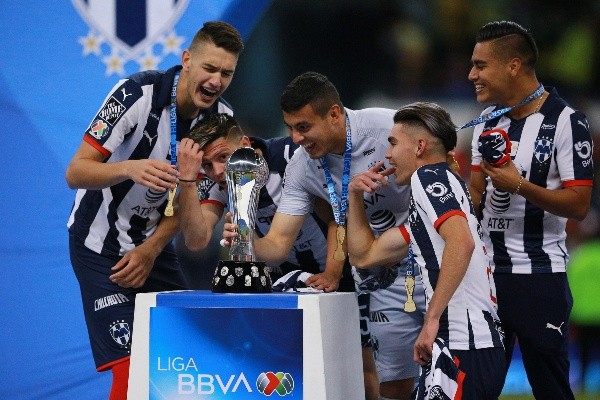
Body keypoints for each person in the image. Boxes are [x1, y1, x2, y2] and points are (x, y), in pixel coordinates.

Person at [65, 21, 244, 400]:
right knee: (131, 369)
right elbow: (75, 172)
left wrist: (151, 248)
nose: (216, 80)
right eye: (210, 68)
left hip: (154, 247)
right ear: (186, 60)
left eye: (226, 73)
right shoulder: (136, 93)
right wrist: (129, 167)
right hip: (100, 245)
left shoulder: (222, 121)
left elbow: (195, 234)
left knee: (180, 362)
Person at [223, 72, 426, 400]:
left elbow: (442, 166)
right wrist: (246, 241)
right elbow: (276, 245)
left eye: (303, 127)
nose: (295, 138)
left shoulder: (387, 127)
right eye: (290, 128)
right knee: (395, 386)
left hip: (432, 261)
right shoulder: (302, 167)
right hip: (381, 277)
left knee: (455, 369)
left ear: (334, 114)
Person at [176, 112, 378, 399]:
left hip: (334, 269)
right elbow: (196, 241)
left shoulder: (291, 158)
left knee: (359, 363)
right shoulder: (216, 184)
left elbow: (336, 218)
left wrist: (334, 273)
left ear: (245, 144)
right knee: (280, 364)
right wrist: (187, 180)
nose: (218, 171)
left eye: (222, 158)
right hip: (277, 279)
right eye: (207, 165)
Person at [467, 20, 595, 399]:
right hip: (487, 279)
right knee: (478, 387)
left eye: (480, 65)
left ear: (513, 65)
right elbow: (476, 193)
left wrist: (519, 186)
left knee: (551, 389)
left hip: (540, 277)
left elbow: (580, 205)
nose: (471, 74)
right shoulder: (487, 121)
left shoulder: (567, 122)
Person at [346, 102, 505, 399]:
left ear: (419, 146)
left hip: (462, 344)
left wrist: (430, 320)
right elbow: (364, 255)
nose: (388, 154)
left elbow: (462, 243)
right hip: (469, 345)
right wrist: (354, 195)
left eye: (393, 143)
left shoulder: (428, 177)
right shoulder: (438, 199)